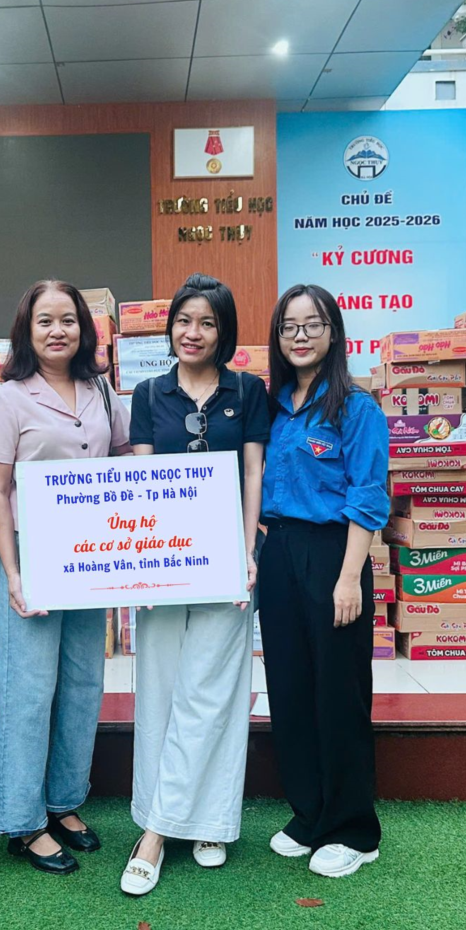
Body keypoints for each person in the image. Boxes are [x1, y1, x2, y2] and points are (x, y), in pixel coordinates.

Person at [0, 279, 131, 875]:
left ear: (85, 330)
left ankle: (63, 802)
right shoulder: (9, 399)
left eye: (68, 320)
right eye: (45, 321)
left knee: (83, 683)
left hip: (93, 559)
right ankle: (23, 821)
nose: (57, 330)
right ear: (27, 331)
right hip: (35, 558)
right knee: (27, 690)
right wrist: (12, 572)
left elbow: (124, 459)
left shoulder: (102, 390)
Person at [118, 274, 269, 897]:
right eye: (184, 320)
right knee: (160, 691)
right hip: (164, 561)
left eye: (207, 322)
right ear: (170, 326)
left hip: (226, 560)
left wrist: (246, 552)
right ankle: (158, 824)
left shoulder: (248, 390)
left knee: (214, 694)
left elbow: (253, 472)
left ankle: (202, 824)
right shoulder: (148, 393)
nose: (193, 332)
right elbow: (142, 480)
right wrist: (140, 562)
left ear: (223, 331)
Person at [257, 283, 388, 879]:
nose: (300, 336)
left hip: (334, 554)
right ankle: (310, 814)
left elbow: (368, 495)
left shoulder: (355, 408)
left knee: (338, 691)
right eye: (289, 326)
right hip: (280, 552)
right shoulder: (276, 405)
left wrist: (349, 578)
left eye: (312, 324)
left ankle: (354, 829)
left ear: (333, 333)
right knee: (289, 688)